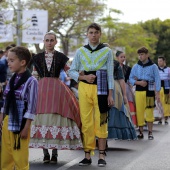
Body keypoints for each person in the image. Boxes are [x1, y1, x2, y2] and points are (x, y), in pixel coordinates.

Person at [29, 31, 82, 164]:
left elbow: (69, 71)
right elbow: (35, 75)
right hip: (42, 89)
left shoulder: (61, 57)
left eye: (52, 40)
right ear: (44, 41)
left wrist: (81, 76)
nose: (49, 43)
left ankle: (55, 153)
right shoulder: (37, 57)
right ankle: (45, 153)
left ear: (56, 41)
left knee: (56, 118)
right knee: (42, 117)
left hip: (57, 90)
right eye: (47, 40)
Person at [68, 23, 114, 167]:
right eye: (91, 32)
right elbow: (71, 71)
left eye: (96, 32)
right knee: (86, 123)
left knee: (101, 121)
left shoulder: (107, 51)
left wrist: (110, 94)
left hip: (101, 88)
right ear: (87, 34)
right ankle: (87, 155)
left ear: (100, 34)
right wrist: (83, 78)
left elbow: (110, 75)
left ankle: (101, 155)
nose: (93, 35)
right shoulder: (81, 51)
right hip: (84, 88)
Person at [0, 46, 38, 170]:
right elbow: (6, 101)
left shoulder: (32, 81)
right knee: (6, 157)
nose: (8, 63)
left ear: (22, 62)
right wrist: (1, 117)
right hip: (8, 121)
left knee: (20, 159)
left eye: (12, 60)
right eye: (8, 60)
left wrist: (27, 127)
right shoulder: (11, 79)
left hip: (21, 123)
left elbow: (32, 107)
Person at [129, 47, 161, 140]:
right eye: (139, 55)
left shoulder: (153, 66)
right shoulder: (136, 66)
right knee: (139, 111)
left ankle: (150, 133)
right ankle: (141, 132)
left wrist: (157, 93)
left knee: (149, 111)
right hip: (139, 90)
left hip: (149, 90)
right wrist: (138, 82)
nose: (140, 56)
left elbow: (157, 79)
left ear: (147, 55)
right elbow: (130, 78)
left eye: (142, 54)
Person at [115, 51, 137, 127]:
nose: (123, 58)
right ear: (117, 57)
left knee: (128, 104)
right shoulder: (113, 67)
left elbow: (130, 79)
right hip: (116, 88)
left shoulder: (128, 68)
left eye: (124, 57)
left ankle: (131, 123)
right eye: (121, 57)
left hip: (126, 89)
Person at [157, 56, 170, 124]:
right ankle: (159, 117)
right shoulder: (156, 69)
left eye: (160, 61)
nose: (159, 62)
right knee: (159, 103)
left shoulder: (168, 69)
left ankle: (166, 117)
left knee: (166, 103)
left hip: (166, 87)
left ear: (164, 62)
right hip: (159, 87)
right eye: (158, 61)